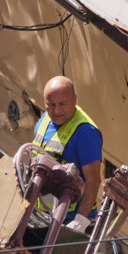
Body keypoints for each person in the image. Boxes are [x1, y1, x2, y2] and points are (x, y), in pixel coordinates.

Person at [32, 75, 103, 232]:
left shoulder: (86, 133)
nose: (56, 110)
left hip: (69, 220)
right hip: (42, 214)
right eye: (51, 104)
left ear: (75, 100)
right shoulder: (45, 119)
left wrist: (80, 221)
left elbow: (93, 180)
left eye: (62, 104)